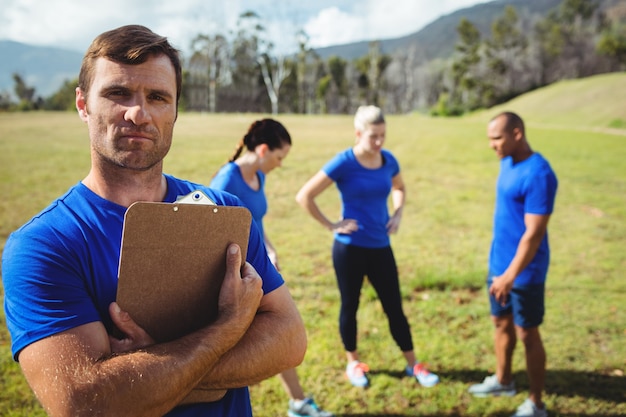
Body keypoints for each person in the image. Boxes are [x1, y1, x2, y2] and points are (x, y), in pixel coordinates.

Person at [1, 24, 307, 417]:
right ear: (82, 104)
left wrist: (149, 369)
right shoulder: (45, 244)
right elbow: (82, 403)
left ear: (176, 109)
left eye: (158, 97)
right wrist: (226, 331)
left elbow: (290, 339)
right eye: (117, 93)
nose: (138, 113)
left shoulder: (223, 211)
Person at [295, 105, 439, 389]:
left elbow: (399, 187)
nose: (379, 142)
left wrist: (397, 213)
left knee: (394, 307)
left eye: (383, 135)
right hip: (349, 249)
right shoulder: (344, 162)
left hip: (380, 247)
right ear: (358, 133)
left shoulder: (388, 160)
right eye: (373, 136)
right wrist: (331, 225)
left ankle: (413, 365)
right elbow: (305, 195)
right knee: (351, 306)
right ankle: (353, 362)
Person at [210, 118, 333, 417]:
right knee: (252, 340)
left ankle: (298, 403)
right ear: (263, 150)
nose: (280, 165)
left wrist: (269, 249)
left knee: (275, 332)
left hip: (258, 270)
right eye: (279, 158)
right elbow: (210, 233)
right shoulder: (226, 181)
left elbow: (254, 223)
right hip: (234, 278)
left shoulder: (259, 177)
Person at [468, 112, 557, 417]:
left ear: (517, 133)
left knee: (527, 334)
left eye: (497, 138)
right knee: (500, 323)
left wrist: (510, 275)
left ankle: (536, 402)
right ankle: (503, 380)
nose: (492, 145)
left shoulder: (539, 174)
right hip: (499, 265)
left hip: (524, 273)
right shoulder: (507, 161)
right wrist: (499, 270)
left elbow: (533, 235)